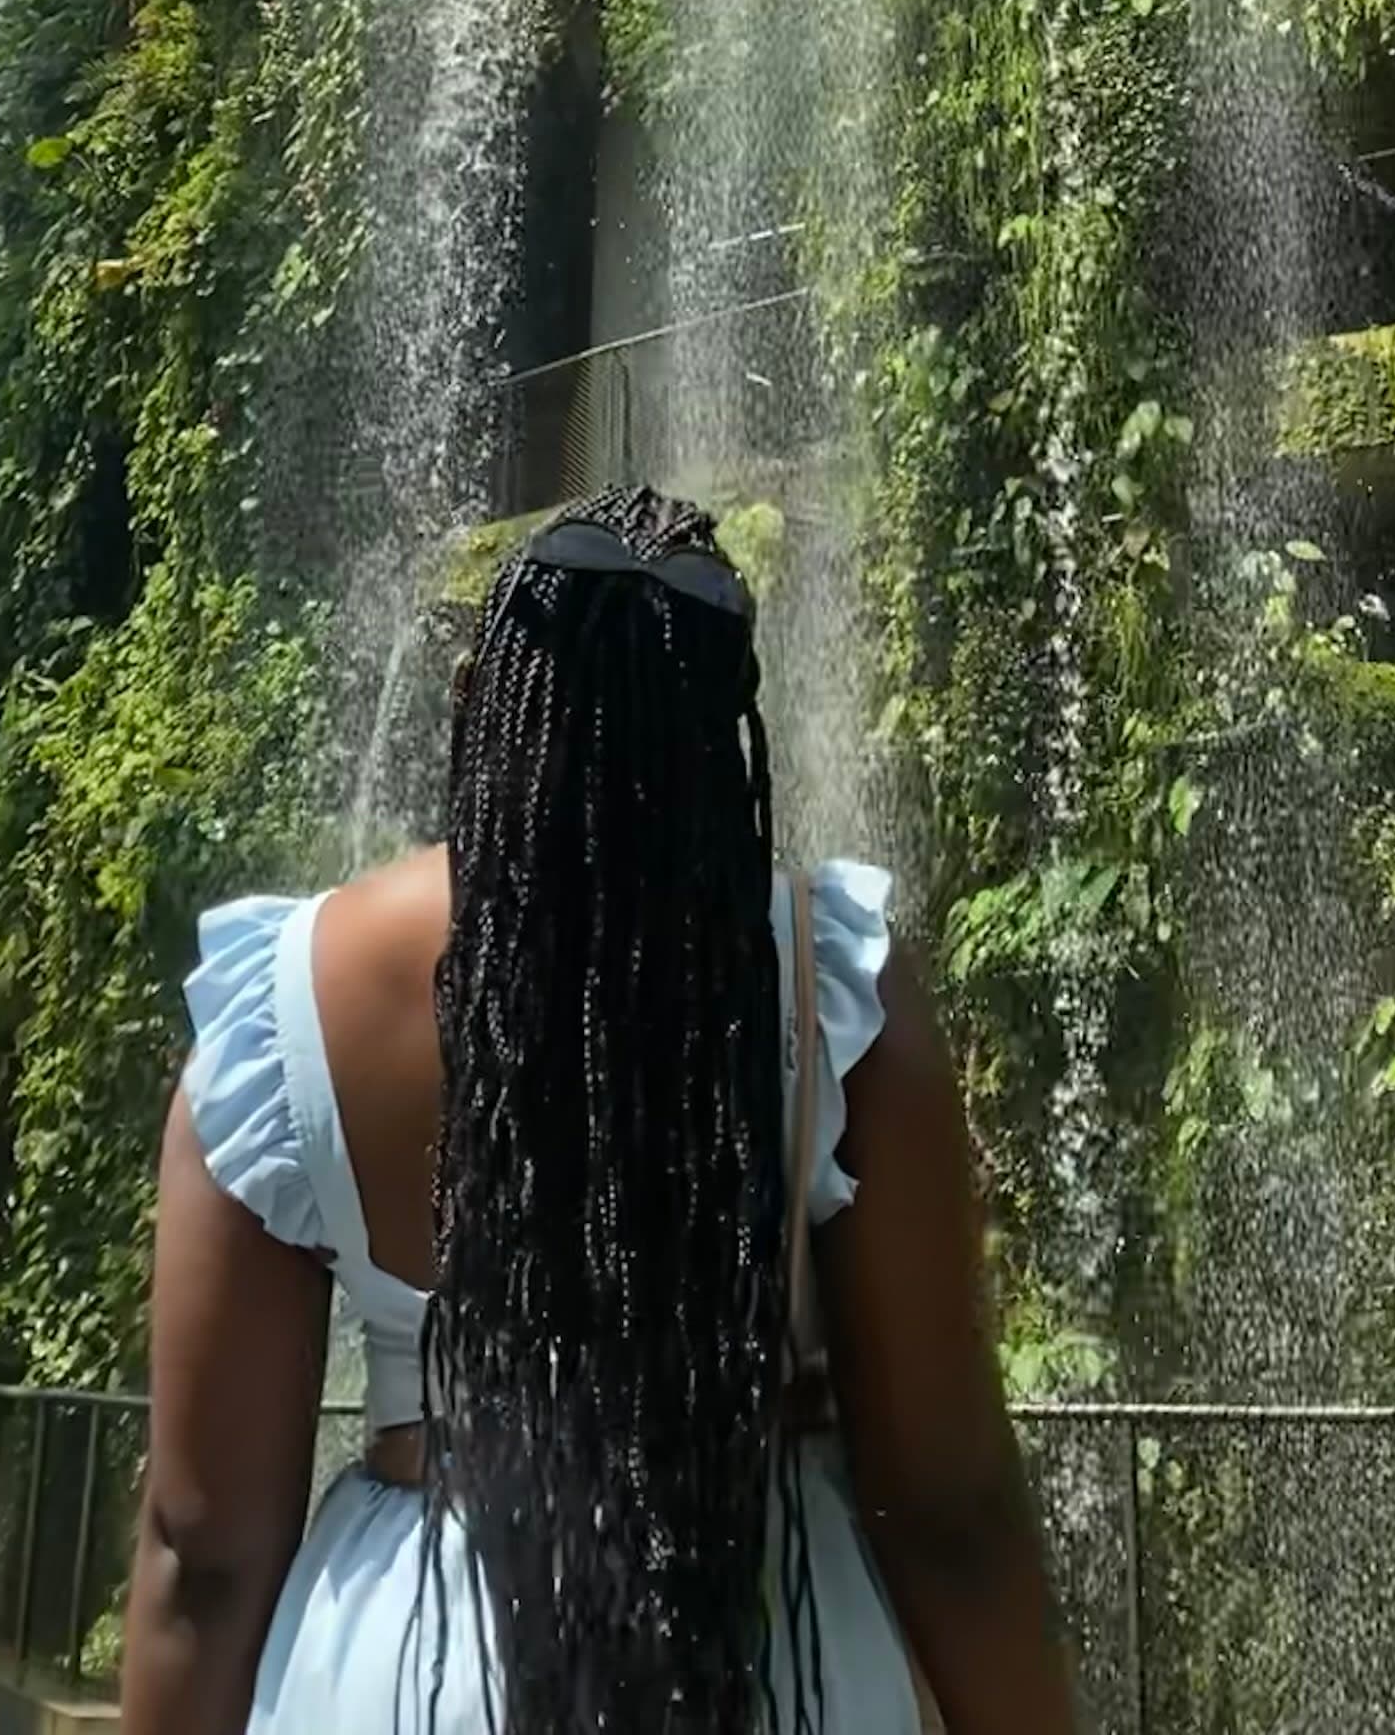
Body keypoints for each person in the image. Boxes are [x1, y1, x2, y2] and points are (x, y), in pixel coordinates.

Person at [118, 486, 1077, 1735]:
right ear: (729, 725)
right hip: (763, 1646)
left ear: (476, 703)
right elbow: (950, 1513)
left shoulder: (287, 1001)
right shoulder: (829, 985)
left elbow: (203, 1549)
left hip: (418, 1670)